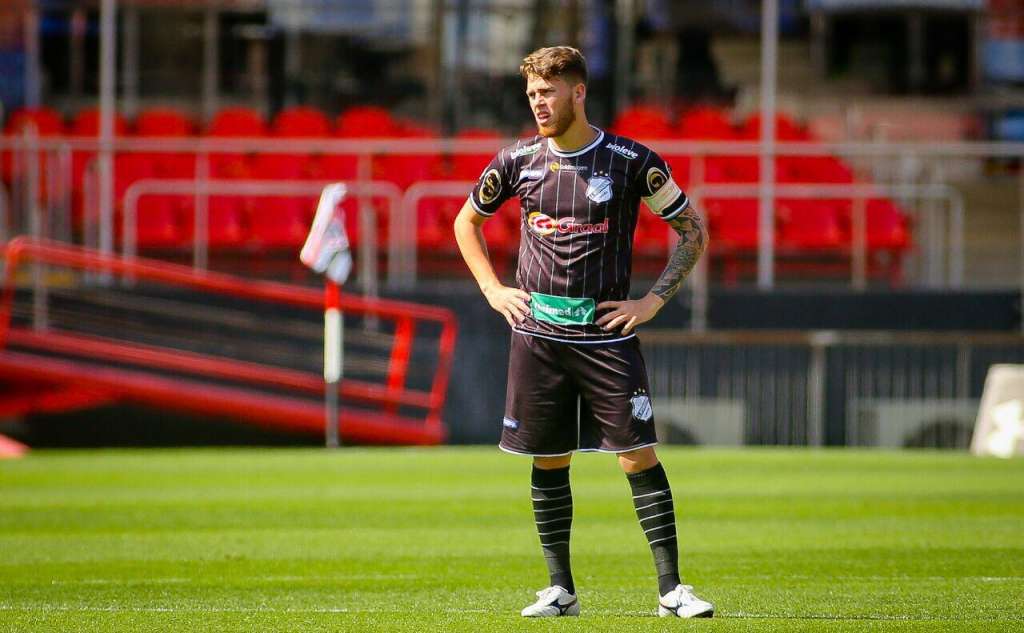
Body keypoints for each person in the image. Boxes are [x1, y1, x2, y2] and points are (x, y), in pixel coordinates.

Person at [452, 46, 712, 619]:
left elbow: (692, 229)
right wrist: (494, 291)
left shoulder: (630, 161)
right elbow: (465, 222)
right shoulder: (515, 162)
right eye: (531, 95)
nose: (538, 104)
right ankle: (560, 590)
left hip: (606, 336)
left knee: (637, 455)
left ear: (578, 92)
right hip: (538, 335)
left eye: (547, 93)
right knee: (548, 457)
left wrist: (652, 301)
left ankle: (672, 590)